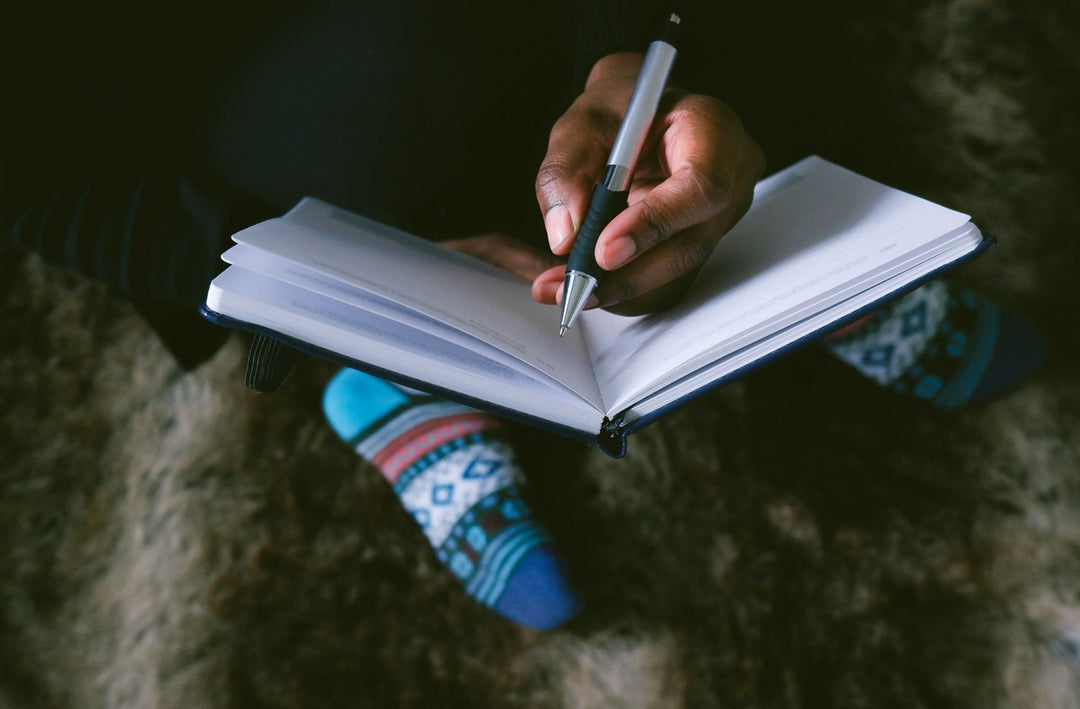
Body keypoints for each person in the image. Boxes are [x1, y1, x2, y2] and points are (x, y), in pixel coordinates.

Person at [1, 1, 1045, 631]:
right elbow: (37, 168)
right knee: (368, 153)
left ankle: (762, 256)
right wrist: (302, 266)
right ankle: (374, 360)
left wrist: (629, 42)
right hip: (195, 104)